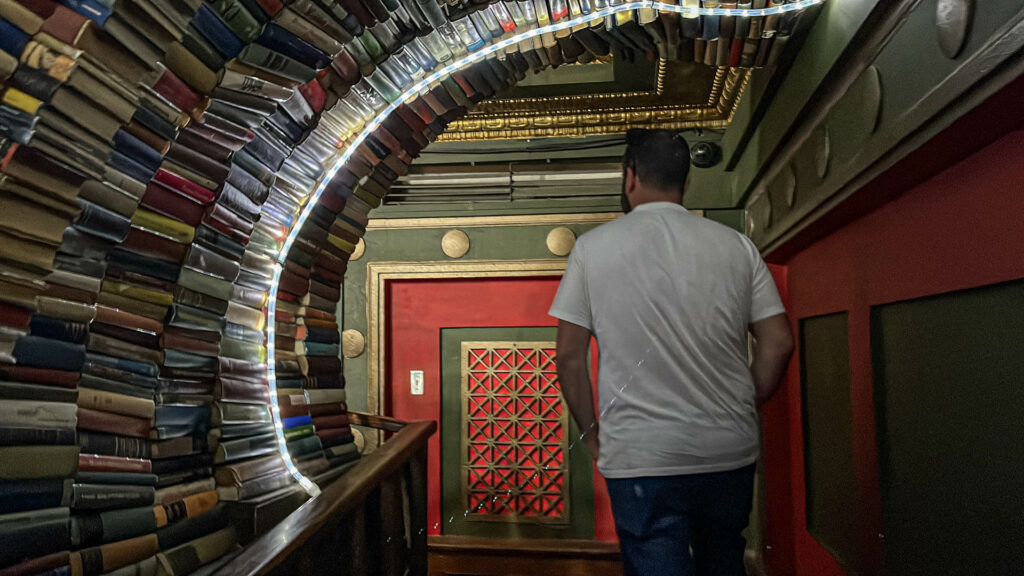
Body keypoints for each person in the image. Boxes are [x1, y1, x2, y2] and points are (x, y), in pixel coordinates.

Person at [549, 129, 794, 576]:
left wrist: (590, 434)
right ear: (686, 181)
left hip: (641, 455)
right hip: (728, 449)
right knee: (724, 561)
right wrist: (742, 401)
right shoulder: (736, 246)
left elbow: (568, 356)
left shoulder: (591, 249)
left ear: (630, 178)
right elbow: (778, 342)